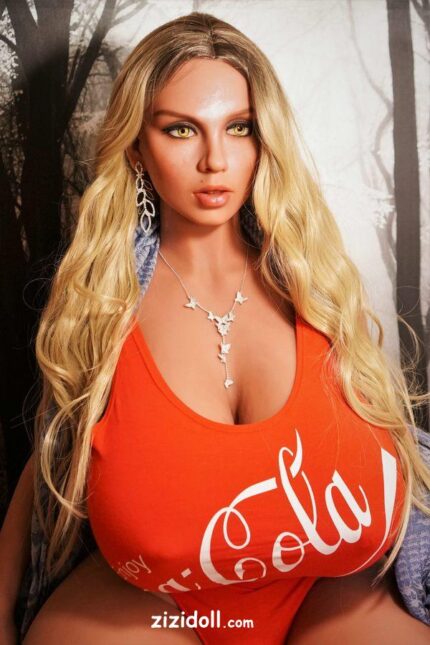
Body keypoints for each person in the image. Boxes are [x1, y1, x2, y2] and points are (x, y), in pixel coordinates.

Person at [1, 10, 430, 645]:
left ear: (264, 139)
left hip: (328, 595)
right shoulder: (103, 304)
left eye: (239, 127)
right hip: (154, 607)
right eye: (181, 129)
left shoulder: (317, 288)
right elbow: (55, 453)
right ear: (137, 148)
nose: (215, 160)